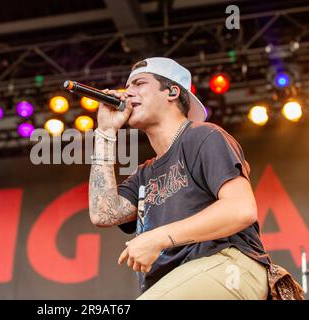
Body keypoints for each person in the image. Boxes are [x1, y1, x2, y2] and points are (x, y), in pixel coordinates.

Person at [88, 57, 272, 299]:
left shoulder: (204, 136)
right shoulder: (144, 174)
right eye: (127, 86)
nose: (127, 93)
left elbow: (241, 210)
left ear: (173, 91)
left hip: (229, 265)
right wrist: (105, 132)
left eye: (139, 83)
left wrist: (158, 238)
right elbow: (102, 213)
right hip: (177, 281)